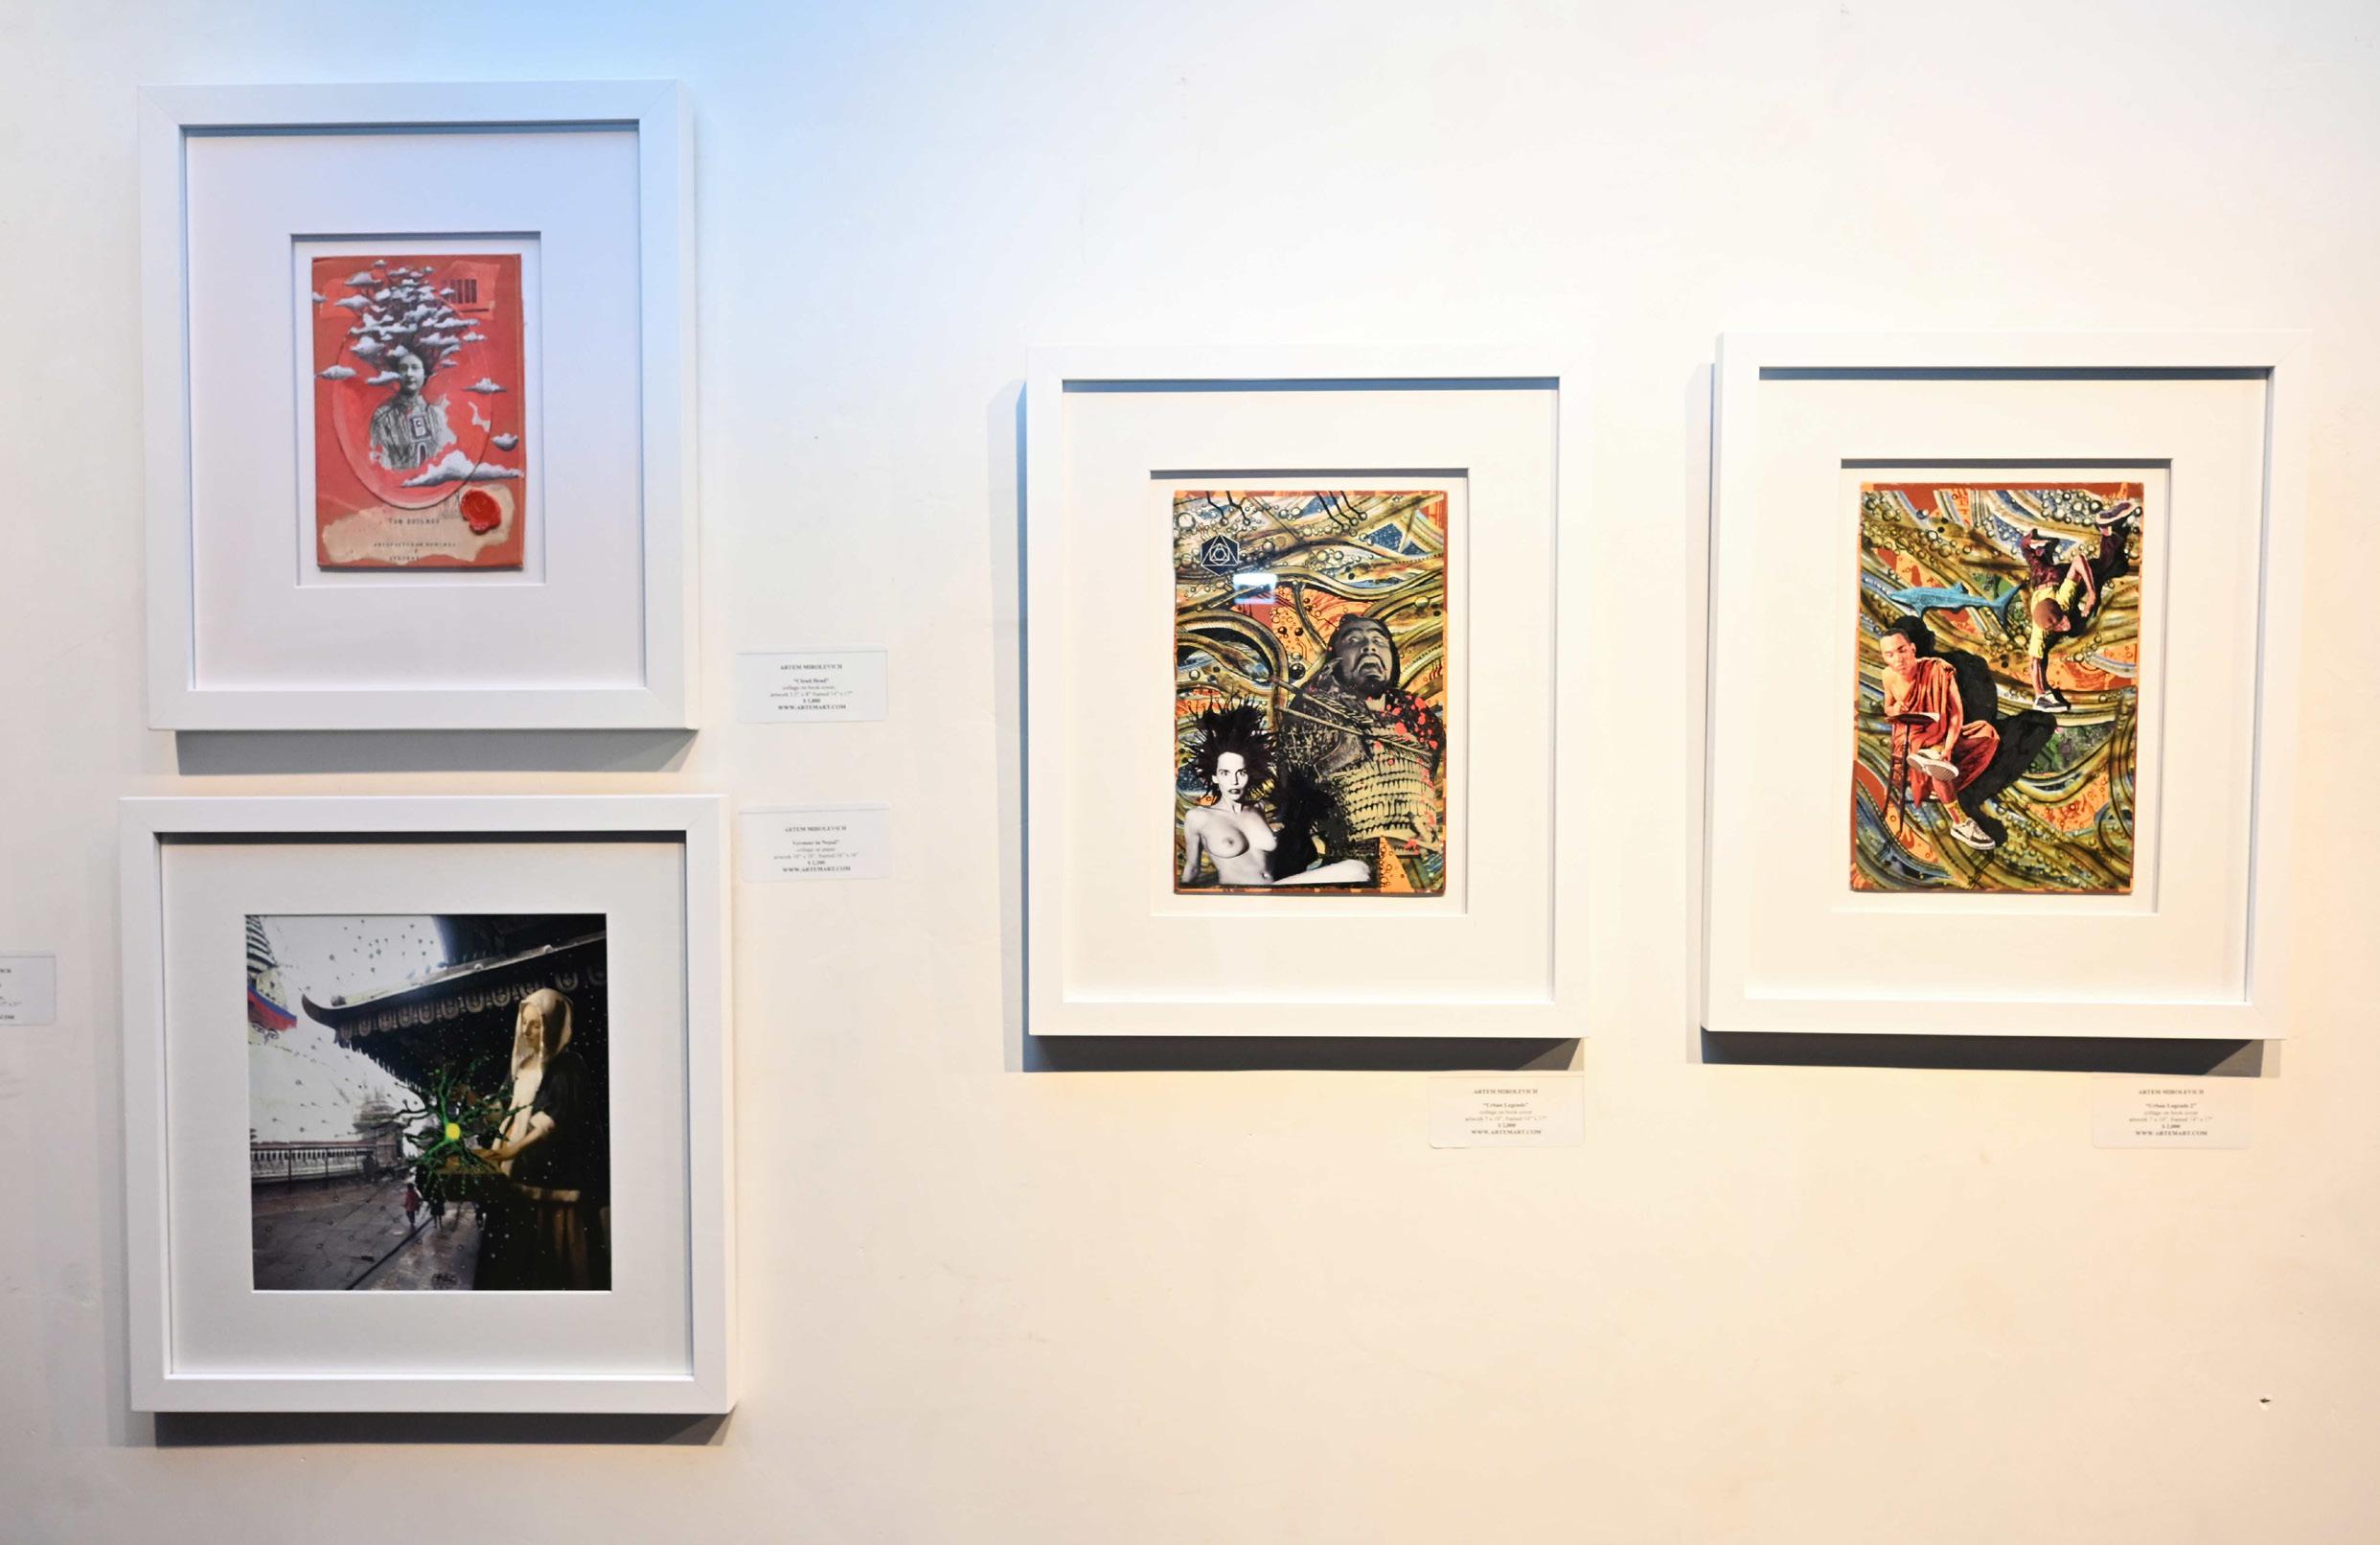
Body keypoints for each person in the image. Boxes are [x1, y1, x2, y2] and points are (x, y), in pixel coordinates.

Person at [1278, 614, 1446, 864]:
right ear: (1335, 659)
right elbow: (1296, 796)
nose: (1369, 647)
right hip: (1351, 864)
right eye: (1353, 640)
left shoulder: (1417, 714)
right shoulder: (1313, 713)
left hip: (1423, 862)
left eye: (1379, 640)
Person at [471, 988, 607, 1290]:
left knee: (550, 1246)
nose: (526, 1031)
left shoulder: (568, 1065)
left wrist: (516, 1149)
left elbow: (554, 1119)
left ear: (553, 1026)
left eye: (535, 1025)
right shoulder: (520, 1067)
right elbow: (501, 1111)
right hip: (513, 1164)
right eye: (524, 1023)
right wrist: (471, 1099)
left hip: (547, 1167)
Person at [1179, 703, 1371, 888]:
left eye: (1241, 772)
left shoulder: (1258, 808)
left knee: (1358, 869)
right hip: (1241, 897)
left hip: (1274, 889)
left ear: (1249, 774)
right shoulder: (1198, 817)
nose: (1234, 781)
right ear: (1214, 777)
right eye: (1225, 773)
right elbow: (1192, 868)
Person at [1877, 626, 2000, 850]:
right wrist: (1897, 710)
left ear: (1912, 649)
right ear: (1884, 657)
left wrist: (1949, 747)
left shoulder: (1939, 669)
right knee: (1936, 761)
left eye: (1901, 650)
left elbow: (1956, 714)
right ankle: (1960, 822)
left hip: (1942, 732)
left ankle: (1937, 777)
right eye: (1889, 654)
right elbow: (1888, 708)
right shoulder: (1887, 676)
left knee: (1988, 733)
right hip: (1910, 737)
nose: (1898, 659)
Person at [2019, 500, 2136, 712]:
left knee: (2107, 567)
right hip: (2041, 579)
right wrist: (2040, 695)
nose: (2064, 625)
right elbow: (2035, 661)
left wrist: (2092, 593)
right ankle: (2030, 544)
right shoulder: (2039, 633)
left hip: (2057, 578)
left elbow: (2079, 561)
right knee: (2034, 563)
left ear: (2061, 609)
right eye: (2059, 626)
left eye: (2062, 619)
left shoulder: (2064, 599)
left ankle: (2106, 529)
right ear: (2048, 629)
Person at [367, 348, 452, 473]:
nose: (409, 374)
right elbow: (377, 460)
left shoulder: (437, 415)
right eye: (403, 368)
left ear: (425, 374)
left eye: (415, 368)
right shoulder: (383, 417)